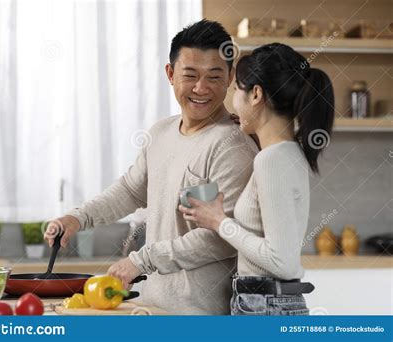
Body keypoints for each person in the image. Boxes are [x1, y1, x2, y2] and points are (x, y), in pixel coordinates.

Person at [44, 19, 259, 315]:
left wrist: (140, 260)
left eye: (213, 76)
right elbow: (130, 191)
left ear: (230, 76)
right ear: (170, 74)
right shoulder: (161, 133)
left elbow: (224, 237)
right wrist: (77, 218)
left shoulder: (232, 146)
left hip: (200, 313)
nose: (201, 88)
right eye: (190, 75)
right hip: (151, 305)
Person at [179, 43, 334, 315]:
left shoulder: (271, 160)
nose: (233, 100)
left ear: (256, 94)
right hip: (270, 304)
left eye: (238, 88)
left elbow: (281, 261)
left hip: (265, 307)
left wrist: (219, 222)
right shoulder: (287, 153)